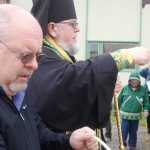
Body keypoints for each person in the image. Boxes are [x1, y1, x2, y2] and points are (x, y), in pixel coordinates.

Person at [24, 0, 150, 149]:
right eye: (73, 24)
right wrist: (124, 56)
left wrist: (102, 85)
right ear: (53, 28)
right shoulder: (42, 56)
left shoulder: (60, 56)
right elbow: (70, 79)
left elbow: (75, 87)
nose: (77, 29)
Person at [0, 4, 99, 150]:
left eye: (38, 57)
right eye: (26, 56)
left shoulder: (19, 94)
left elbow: (40, 135)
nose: (34, 65)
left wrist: (69, 141)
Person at [118, 70, 149, 150]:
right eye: (132, 80)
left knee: (133, 132)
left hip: (135, 117)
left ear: (139, 81)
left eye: (136, 80)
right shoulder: (125, 88)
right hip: (125, 115)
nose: (134, 82)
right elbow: (119, 99)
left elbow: (146, 101)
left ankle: (132, 146)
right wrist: (117, 109)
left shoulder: (143, 89)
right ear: (129, 81)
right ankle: (122, 144)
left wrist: (146, 110)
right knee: (124, 131)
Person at [140, 67, 150, 135]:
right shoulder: (147, 72)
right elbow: (141, 72)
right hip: (147, 95)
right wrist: (148, 67)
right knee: (148, 112)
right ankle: (149, 128)